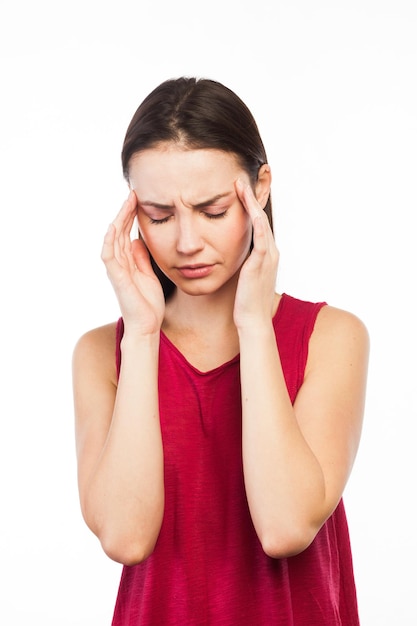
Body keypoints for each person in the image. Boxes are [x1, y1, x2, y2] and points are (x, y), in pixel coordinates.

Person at [72, 77, 369, 625]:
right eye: (158, 216)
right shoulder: (102, 353)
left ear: (259, 190)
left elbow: (285, 527)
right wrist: (141, 335)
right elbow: (125, 537)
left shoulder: (330, 337)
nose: (186, 242)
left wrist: (254, 325)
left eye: (212, 210)